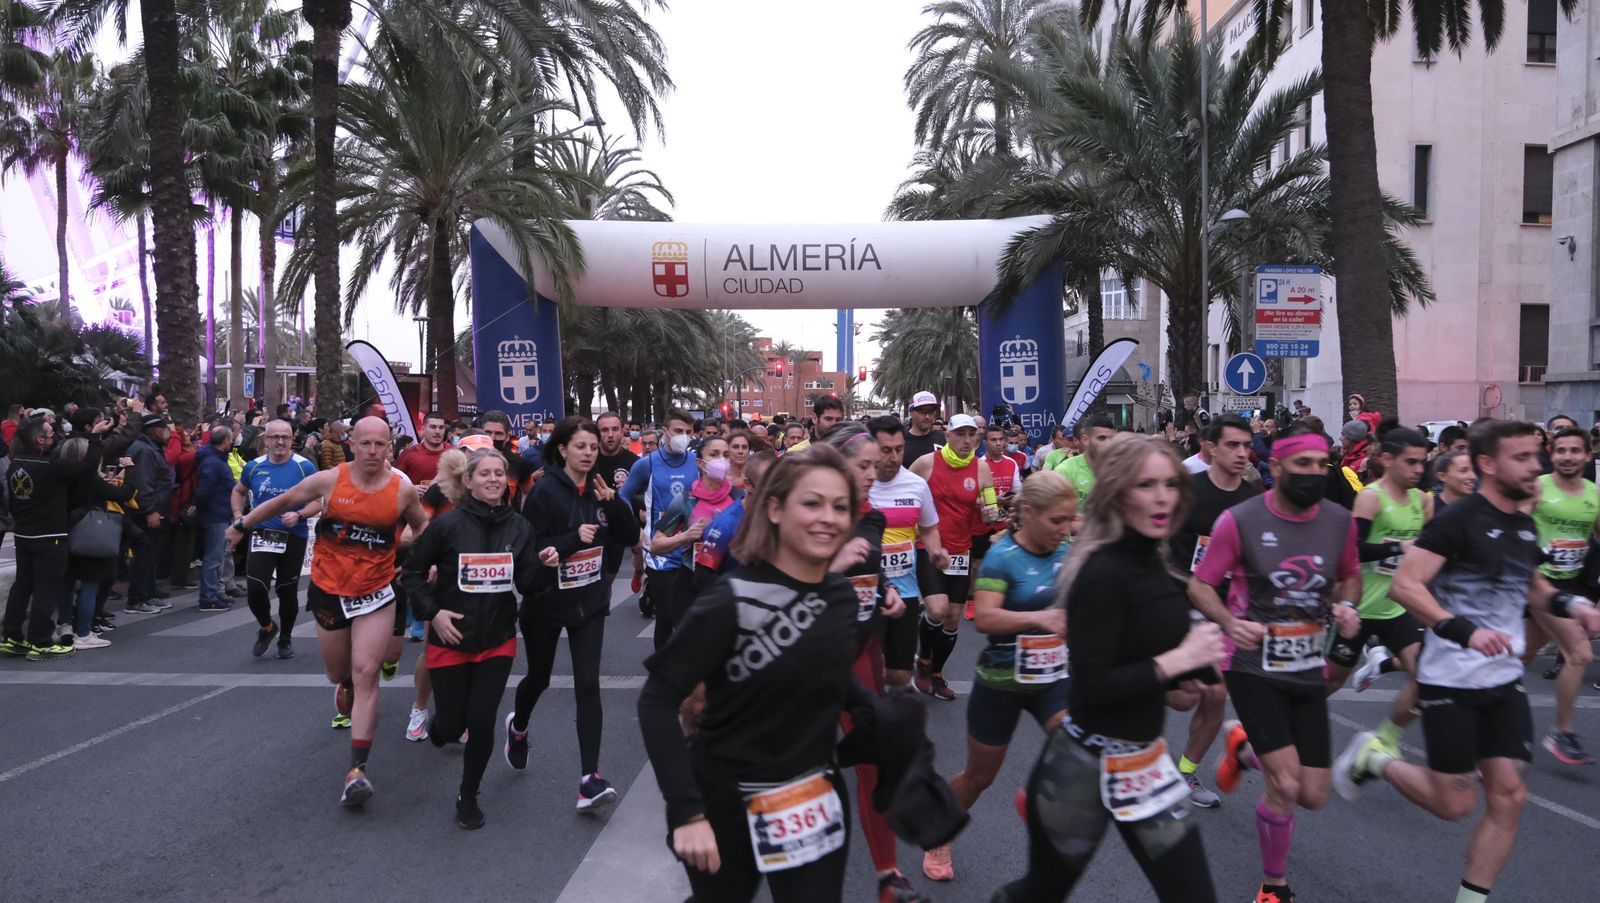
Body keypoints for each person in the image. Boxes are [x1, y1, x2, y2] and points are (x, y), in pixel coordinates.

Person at [1336, 419, 1600, 903]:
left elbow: (1533, 584)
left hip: (1502, 680)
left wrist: (1573, 605)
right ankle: (1376, 758)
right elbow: (1406, 586)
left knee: (1510, 795)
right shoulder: (1456, 522)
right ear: (1487, 464)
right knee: (1454, 804)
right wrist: (1465, 631)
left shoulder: (1523, 523)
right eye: (1521, 458)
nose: (1534, 465)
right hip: (1450, 679)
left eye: (1533, 456)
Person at [992, 435, 1224, 903]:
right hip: (1080, 769)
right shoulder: (1099, 571)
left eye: (1169, 484)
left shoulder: (1160, 564)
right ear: (1118, 494)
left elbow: (1153, 670)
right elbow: (1093, 687)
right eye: (1146, 485)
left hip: (1146, 766)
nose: (1162, 496)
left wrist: (1188, 676)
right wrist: (1176, 661)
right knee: (1040, 894)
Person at [638, 446, 865, 903]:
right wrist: (687, 812)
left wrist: (882, 722)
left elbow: (825, 674)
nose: (829, 518)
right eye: (812, 503)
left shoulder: (841, 597)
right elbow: (656, 699)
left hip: (812, 799)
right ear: (776, 509)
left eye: (841, 506)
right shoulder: (731, 600)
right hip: (725, 801)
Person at [1188, 423, 1361, 903]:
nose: (1313, 474)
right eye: (1302, 465)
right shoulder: (1239, 520)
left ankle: (1244, 750)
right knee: (1285, 784)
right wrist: (1228, 620)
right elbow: (1201, 585)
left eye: (1320, 465)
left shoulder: (1337, 521)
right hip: (1251, 662)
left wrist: (1347, 607)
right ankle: (1274, 886)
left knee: (1314, 795)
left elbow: (1349, 578)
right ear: (1278, 466)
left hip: (1307, 666)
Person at [226, 416, 429, 806]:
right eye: (365, 443)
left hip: (376, 592)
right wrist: (242, 524)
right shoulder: (330, 480)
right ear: (351, 443)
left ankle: (357, 770)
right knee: (340, 673)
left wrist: (414, 556)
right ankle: (344, 685)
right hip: (329, 590)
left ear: (390, 448)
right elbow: (283, 501)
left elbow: (422, 527)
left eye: (380, 445)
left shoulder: (401, 490)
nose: (372, 451)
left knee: (367, 673)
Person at [921, 470, 1074, 885]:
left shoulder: (1069, 553)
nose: (1066, 529)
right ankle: (939, 832)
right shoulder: (1004, 557)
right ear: (1028, 514)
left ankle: (1039, 796)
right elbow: (986, 617)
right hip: (1001, 679)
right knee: (979, 777)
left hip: (1053, 677)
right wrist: (1041, 617)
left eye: (1070, 520)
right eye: (1057, 521)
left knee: (1076, 744)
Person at [401, 444, 538, 829]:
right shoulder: (446, 526)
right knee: (449, 726)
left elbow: (528, 583)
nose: (493, 479)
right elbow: (412, 573)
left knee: (481, 722)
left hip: (497, 639)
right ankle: (439, 726)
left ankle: (468, 794)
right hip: (450, 640)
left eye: (499, 473)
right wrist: (434, 612)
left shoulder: (519, 526)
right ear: (469, 481)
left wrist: (544, 565)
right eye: (485, 474)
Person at [506, 417, 640, 811]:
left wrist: (613, 504)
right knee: (540, 677)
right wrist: (569, 541)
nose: (588, 453)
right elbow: (530, 548)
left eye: (594, 447)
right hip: (547, 601)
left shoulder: (601, 488)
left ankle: (589, 779)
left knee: (588, 685)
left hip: (590, 602)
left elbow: (630, 537)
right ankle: (518, 725)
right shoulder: (545, 490)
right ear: (563, 449)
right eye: (581, 446)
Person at [1166, 415, 1259, 809]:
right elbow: (1158, 543)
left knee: (1215, 695)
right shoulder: (1187, 491)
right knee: (1183, 700)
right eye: (1233, 445)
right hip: (1175, 603)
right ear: (1211, 447)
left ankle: (1184, 773)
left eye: (1246, 446)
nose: (1241, 453)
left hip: (1222, 609)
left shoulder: (1251, 498)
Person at [1520, 426, 1599, 764]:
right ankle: (1561, 732)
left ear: (1587, 455)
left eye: (1575, 451)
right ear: (1552, 454)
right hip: (1535, 582)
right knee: (1579, 653)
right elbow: (1515, 532)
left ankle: (1484, 710)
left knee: (1518, 658)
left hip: (1570, 584)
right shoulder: (1537, 488)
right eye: (1562, 450)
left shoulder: (1594, 494)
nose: (1568, 457)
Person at [1, 416, 106, 659]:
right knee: (46, 589)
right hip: (51, 536)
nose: (54, 435)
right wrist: (95, 437)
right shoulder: (50, 467)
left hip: (24, 534)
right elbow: (87, 467)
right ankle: (41, 642)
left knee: (23, 585)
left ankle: (12, 636)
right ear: (39, 439)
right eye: (50, 432)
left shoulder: (16, 464)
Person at [909, 413, 998, 701]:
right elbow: (903, 491)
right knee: (936, 609)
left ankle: (936, 673)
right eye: (960, 434)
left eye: (972, 435)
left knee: (951, 619)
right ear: (947, 435)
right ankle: (923, 661)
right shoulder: (926, 464)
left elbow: (991, 511)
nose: (967, 440)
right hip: (930, 548)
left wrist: (989, 514)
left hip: (961, 551)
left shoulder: (982, 468)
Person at [866, 417, 947, 689]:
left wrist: (935, 551)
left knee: (899, 676)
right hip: (867, 591)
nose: (893, 457)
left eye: (898, 449)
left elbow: (929, 527)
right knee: (870, 670)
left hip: (906, 589)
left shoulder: (915, 485)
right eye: (885, 450)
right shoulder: (856, 485)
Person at [234, 418, 320, 659]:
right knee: (255, 588)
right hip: (262, 534)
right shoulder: (254, 466)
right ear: (266, 439)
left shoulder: (305, 467)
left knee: (286, 589)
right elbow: (239, 491)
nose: (280, 441)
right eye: (275, 437)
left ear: (293, 439)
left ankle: (285, 639)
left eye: (286, 437)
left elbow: (317, 502)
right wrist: (239, 516)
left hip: (293, 535)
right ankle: (267, 627)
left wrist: (300, 514)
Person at [621, 411, 699, 633]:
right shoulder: (647, 464)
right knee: (665, 616)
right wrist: (636, 529)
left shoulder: (696, 461)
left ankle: (686, 665)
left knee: (687, 619)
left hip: (690, 549)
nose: (683, 436)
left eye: (688, 432)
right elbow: (624, 496)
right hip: (659, 552)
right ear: (665, 432)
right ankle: (662, 667)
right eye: (678, 431)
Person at [56, 436, 137, 649]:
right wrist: (129, 473)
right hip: (90, 533)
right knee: (90, 584)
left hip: (65, 531)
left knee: (66, 583)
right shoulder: (91, 479)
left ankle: (64, 625)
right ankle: (84, 632)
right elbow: (123, 494)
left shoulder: (61, 477)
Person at [124, 414, 176, 615]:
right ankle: (137, 599)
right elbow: (144, 484)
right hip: (146, 511)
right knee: (144, 555)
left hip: (155, 508)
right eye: (163, 427)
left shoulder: (150, 448)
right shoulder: (144, 450)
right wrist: (150, 511)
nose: (166, 431)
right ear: (152, 429)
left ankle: (148, 592)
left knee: (151, 554)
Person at [593, 412, 641, 600]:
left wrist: (629, 492)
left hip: (618, 531)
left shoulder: (635, 463)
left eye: (615, 429)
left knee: (605, 583)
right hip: (591, 529)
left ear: (623, 432)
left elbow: (646, 497)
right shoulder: (588, 460)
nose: (610, 435)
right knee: (593, 591)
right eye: (604, 430)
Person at [195, 426, 238, 612]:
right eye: (231, 438)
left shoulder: (216, 459)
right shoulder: (213, 462)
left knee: (218, 555)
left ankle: (215, 592)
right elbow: (205, 490)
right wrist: (202, 508)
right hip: (215, 513)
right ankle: (209, 597)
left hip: (219, 511)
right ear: (226, 441)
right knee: (214, 557)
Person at [1054, 414, 1116, 509]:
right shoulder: (1065, 471)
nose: (1108, 444)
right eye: (1102, 438)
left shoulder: (1121, 470)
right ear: (1085, 439)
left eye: (1112, 439)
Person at [903, 391, 945, 463]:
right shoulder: (901, 442)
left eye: (931, 412)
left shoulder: (943, 439)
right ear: (911, 412)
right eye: (923, 412)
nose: (927, 417)